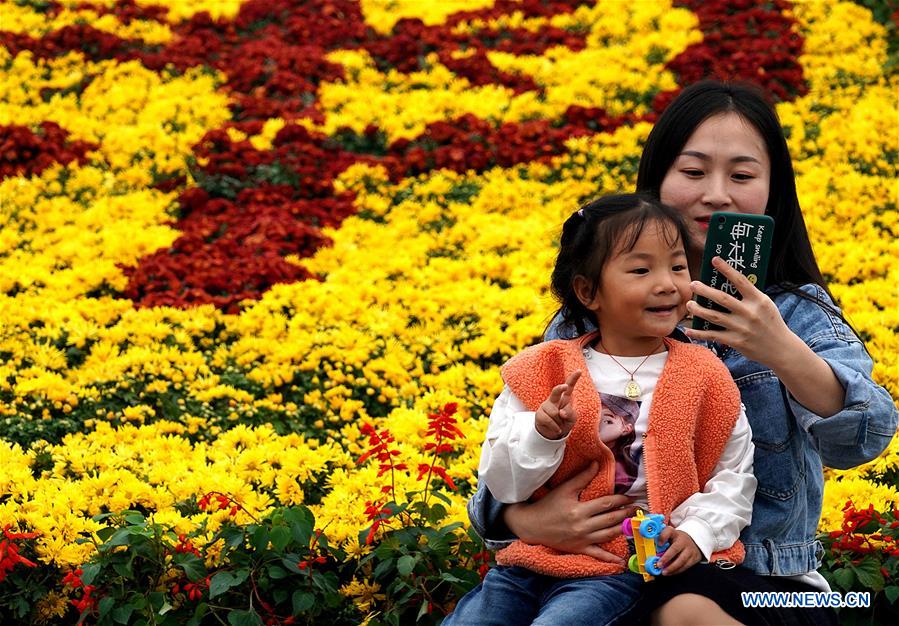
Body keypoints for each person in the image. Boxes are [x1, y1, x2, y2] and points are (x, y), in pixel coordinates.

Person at [466, 80, 898, 626]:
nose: (716, 194)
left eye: (741, 176)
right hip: (607, 571)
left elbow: (866, 439)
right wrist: (522, 521)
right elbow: (502, 466)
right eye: (692, 172)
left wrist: (780, 349)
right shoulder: (591, 315)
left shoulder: (795, 314)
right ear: (658, 180)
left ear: (772, 189)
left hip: (770, 582)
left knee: (683, 613)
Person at [445, 193, 757, 626]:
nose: (667, 283)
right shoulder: (545, 369)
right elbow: (501, 481)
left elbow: (733, 473)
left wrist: (698, 532)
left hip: (618, 568)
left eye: (678, 266)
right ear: (588, 291)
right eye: (641, 269)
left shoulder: (706, 375)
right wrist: (542, 433)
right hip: (527, 563)